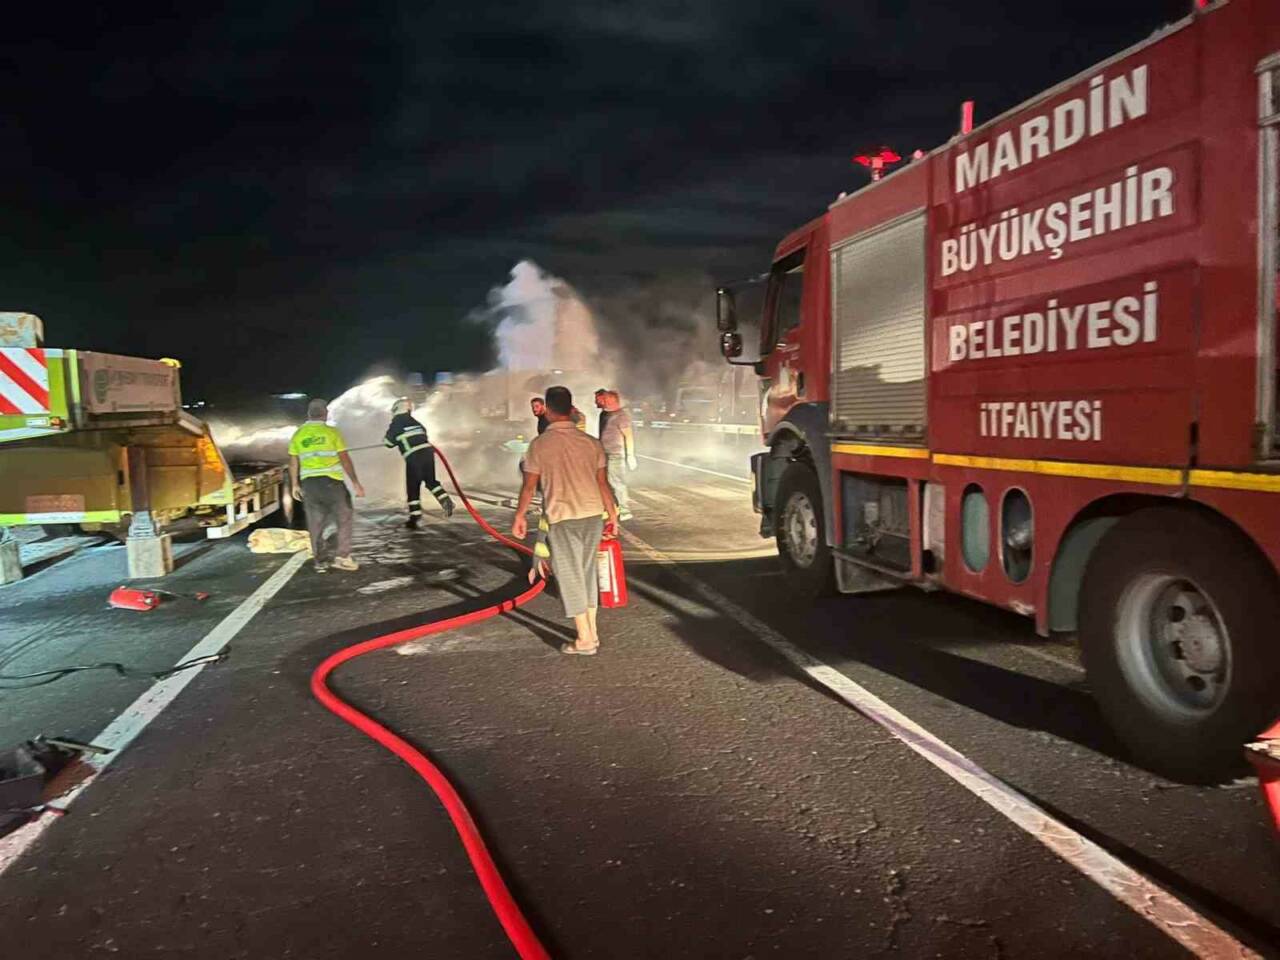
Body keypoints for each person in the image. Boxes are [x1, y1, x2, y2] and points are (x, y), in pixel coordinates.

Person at [513, 385, 619, 655]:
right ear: (571, 409)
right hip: (593, 515)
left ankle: (584, 640)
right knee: (586, 573)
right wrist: (613, 514)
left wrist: (520, 515)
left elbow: (528, 487)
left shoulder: (538, 446)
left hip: (562, 517)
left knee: (570, 576)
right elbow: (603, 484)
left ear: (547, 411)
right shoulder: (591, 443)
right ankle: (592, 633)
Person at [288, 398, 364, 573]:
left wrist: (294, 485)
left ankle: (320, 561)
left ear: (308, 414)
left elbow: (293, 461)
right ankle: (343, 557)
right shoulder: (332, 433)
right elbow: (344, 459)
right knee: (344, 516)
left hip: (309, 484)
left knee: (315, 523)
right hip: (332, 483)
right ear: (325, 414)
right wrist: (355, 482)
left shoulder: (298, 434)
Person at [384, 398, 455, 529]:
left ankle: (414, 517)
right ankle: (446, 501)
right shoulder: (417, 423)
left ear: (396, 410)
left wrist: (393, 440)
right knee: (431, 481)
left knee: (413, 486)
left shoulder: (396, 423)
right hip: (428, 455)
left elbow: (388, 443)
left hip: (413, 458)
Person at [595, 388, 637, 521]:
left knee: (617, 482)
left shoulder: (621, 415)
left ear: (613, 400)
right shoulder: (604, 415)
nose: (603, 401)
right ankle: (611, 508)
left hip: (615, 454)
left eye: (606, 399)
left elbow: (628, 436)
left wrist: (630, 455)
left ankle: (625, 509)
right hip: (604, 453)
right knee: (604, 482)